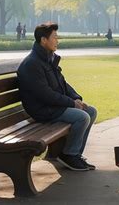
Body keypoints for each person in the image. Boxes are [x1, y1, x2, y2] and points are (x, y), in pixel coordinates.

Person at [17, 22, 97, 171]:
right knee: (82, 117)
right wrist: (71, 103)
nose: (57, 41)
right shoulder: (32, 64)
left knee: (91, 111)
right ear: (43, 40)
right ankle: (69, 154)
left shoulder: (48, 58)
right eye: (54, 37)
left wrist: (76, 97)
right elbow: (45, 95)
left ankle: (75, 155)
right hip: (42, 110)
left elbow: (62, 83)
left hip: (52, 106)